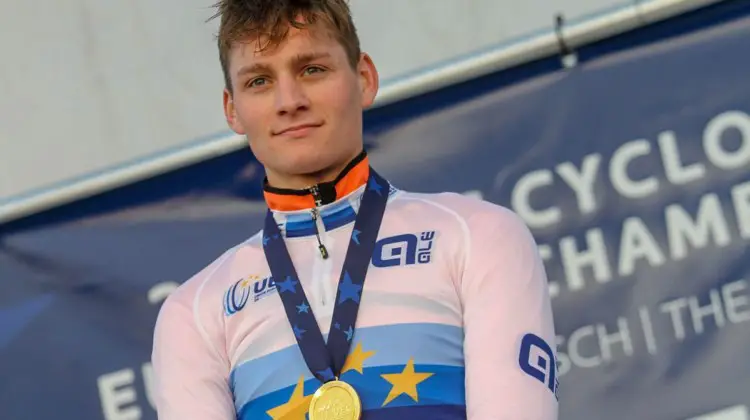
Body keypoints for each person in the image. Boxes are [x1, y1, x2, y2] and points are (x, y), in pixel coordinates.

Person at [151, 0, 559, 419]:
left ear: (364, 77)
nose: (289, 101)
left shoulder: (479, 236)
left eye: (312, 69)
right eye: (259, 81)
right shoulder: (194, 313)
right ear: (232, 109)